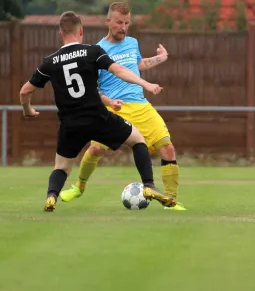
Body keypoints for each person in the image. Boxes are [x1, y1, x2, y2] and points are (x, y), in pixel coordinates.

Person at [19, 11, 176, 212]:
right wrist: (144, 83)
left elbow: (25, 91)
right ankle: (149, 185)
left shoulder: (50, 61)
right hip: (97, 117)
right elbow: (119, 71)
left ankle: (51, 196)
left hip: (70, 124)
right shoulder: (92, 51)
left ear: (60, 33)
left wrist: (28, 109)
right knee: (137, 140)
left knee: (61, 166)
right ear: (81, 31)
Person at [59, 2, 185, 210]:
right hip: (113, 108)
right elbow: (91, 88)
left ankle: (170, 200)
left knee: (168, 149)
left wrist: (160, 58)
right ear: (108, 21)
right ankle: (79, 187)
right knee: (96, 148)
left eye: (127, 23)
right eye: (119, 23)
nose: (123, 27)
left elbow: (137, 66)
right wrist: (107, 102)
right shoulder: (97, 50)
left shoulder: (132, 43)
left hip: (141, 106)